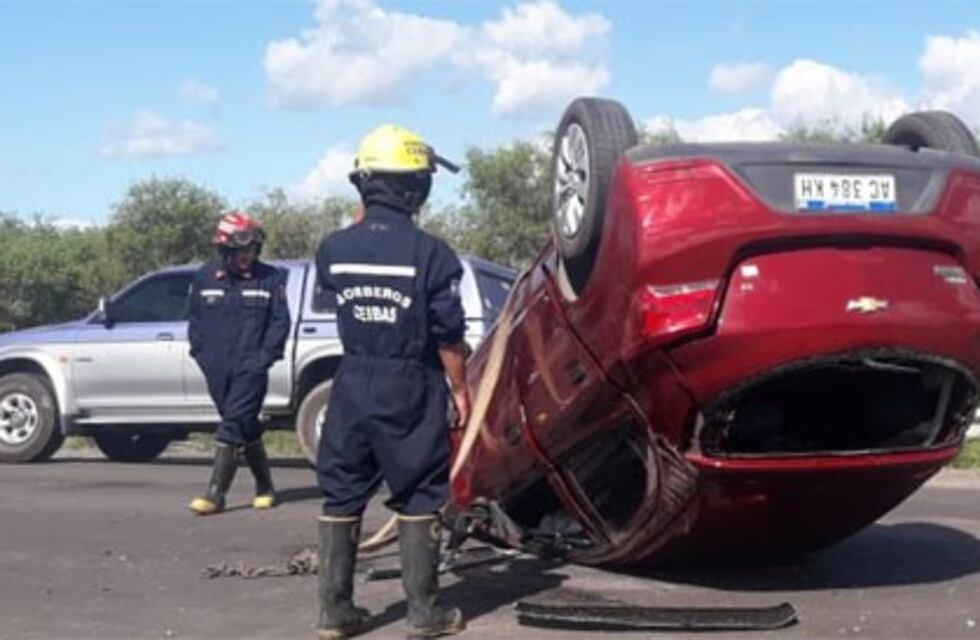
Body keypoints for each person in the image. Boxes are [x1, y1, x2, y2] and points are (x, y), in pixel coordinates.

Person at [314, 125, 470, 639]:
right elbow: (448, 335)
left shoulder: (333, 248)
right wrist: (460, 389)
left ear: (364, 183)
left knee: (342, 490)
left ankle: (335, 612)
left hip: (351, 381)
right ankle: (424, 613)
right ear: (416, 186)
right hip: (409, 384)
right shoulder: (432, 254)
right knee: (420, 491)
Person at [187, 211, 291, 515]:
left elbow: (280, 322)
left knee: (231, 424)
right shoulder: (205, 276)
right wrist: (201, 353)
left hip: (252, 366)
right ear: (224, 250)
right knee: (245, 424)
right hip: (216, 366)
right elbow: (196, 320)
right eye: (241, 251)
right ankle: (265, 487)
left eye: (252, 250)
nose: (247, 256)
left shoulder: (271, 278)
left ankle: (216, 494)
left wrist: (264, 358)